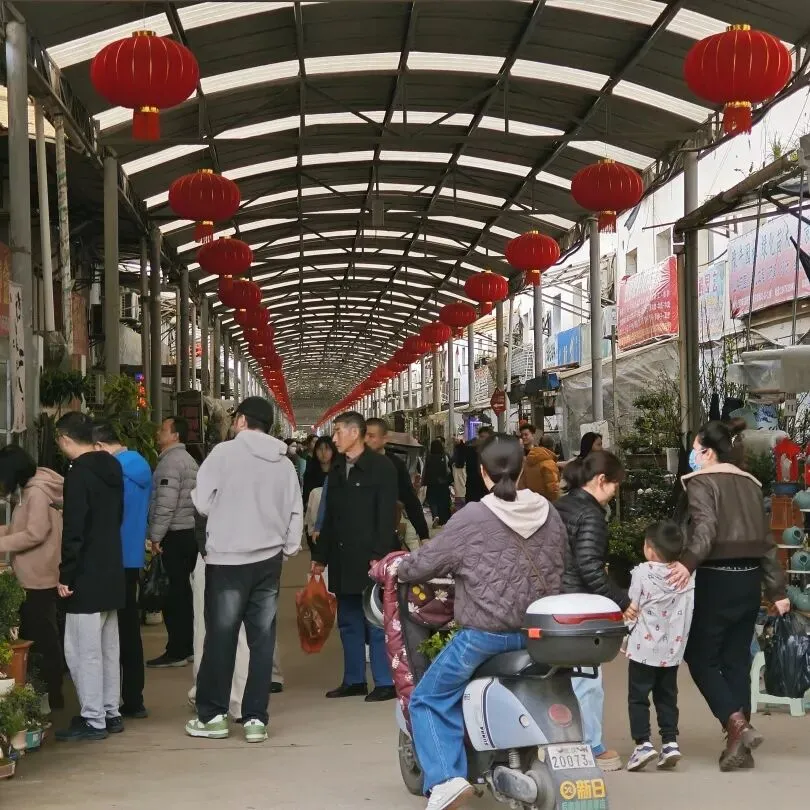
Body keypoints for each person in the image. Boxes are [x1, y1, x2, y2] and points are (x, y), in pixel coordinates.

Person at [397, 434, 568, 810]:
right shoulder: (550, 512)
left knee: (428, 698)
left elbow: (425, 563)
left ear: (481, 472)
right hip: (539, 635)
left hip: (485, 637)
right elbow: (562, 563)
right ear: (523, 467)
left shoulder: (473, 516)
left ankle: (445, 779)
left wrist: (400, 566)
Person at [669, 421, 789, 771]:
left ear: (707, 451)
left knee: (700, 656)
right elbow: (766, 542)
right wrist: (777, 590)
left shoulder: (701, 482)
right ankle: (741, 748)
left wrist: (686, 564)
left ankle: (736, 723)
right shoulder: (750, 484)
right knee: (736, 660)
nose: (693, 455)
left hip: (715, 580)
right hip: (749, 582)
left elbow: (704, 531)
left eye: (695, 448)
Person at [187, 397, 302, 742]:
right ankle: (255, 719)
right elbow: (295, 511)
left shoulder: (223, 455)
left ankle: (213, 716)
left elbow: (202, 502)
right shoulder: (284, 463)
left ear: (240, 421)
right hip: (267, 561)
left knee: (220, 639)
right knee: (261, 641)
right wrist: (288, 548)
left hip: (227, 559)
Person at [311, 411, 398, 702]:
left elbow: (386, 516)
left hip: (370, 559)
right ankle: (354, 680)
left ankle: (385, 682)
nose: (333, 438)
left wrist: (379, 555)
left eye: (338, 432)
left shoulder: (381, 467)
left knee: (374, 619)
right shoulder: (337, 469)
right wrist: (320, 556)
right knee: (348, 620)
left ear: (354, 433)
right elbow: (330, 517)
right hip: (341, 557)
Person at [53, 412, 125, 742]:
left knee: (82, 650)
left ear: (66, 439)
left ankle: (92, 717)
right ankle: (111, 711)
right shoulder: (113, 467)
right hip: (111, 567)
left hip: (86, 573)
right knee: (108, 647)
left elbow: (74, 529)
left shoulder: (79, 474)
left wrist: (67, 573)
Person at [555, 451, 628, 772]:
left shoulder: (559, 506)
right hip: (578, 606)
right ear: (600, 481)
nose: (614, 493)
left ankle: (561, 741)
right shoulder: (591, 514)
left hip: (551, 602)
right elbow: (590, 567)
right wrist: (621, 600)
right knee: (587, 678)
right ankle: (589, 745)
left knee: (559, 678)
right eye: (614, 486)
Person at [92, 421, 153, 719]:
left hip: (109, 557)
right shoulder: (141, 467)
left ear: (100, 447)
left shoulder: (110, 472)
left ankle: (108, 701)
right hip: (131, 559)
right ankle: (134, 698)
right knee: (130, 631)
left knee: (106, 632)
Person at [625, 521, 695, 772]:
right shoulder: (686, 575)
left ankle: (643, 744)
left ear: (650, 550)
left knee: (638, 698)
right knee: (667, 697)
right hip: (672, 652)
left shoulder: (642, 573)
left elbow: (632, 607)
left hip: (643, 650)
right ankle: (669, 743)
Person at [0, 446, 64, 710]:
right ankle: (47, 693)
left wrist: (2, 544)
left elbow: (36, 532)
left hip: (38, 575)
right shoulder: (34, 487)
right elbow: (23, 528)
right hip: (37, 571)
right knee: (39, 634)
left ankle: (50, 694)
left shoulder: (35, 492)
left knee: (41, 637)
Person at [147, 416, 199, 668]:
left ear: (175, 435)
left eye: (162, 429)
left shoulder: (170, 463)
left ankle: (177, 650)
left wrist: (155, 536)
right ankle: (186, 646)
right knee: (183, 593)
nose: (158, 433)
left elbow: (166, 505)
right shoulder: (187, 459)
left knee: (173, 594)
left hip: (175, 535)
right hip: (188, 533)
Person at [365, 418, 430, 543]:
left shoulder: (395, 465)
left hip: (385, 534)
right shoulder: (353, 463)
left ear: (385, 438)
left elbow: (410, 499)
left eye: (371, 436)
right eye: (364, 435)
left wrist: (423, 535)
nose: (366, 440)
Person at [519, 425, 561, 501]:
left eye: (526, 434)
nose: (524, 437)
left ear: (533, 435)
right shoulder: (519, 454)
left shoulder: (540, 453)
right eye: (522, 435)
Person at [423, 439, 452, 526]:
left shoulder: (428, 457)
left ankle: (435, 515)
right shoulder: (445, 456)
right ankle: (442, 519)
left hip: (431, 482)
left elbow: (425, 470)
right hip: (442, 482)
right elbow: (448, 470)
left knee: (432, 500)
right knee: (442, 500)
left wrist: (423, 481)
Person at [464, 425, 493, 504]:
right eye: (481, 437)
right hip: (473, 489)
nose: (482, 439)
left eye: (485, 437)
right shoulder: (471, 451)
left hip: (488, 491)